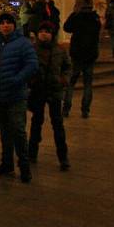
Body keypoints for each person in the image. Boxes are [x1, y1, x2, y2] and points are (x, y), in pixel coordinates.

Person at [0, 12, 38, 183]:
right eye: (2, 23)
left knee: (18, 131)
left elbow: (32, 64)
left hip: (15, 95)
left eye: (8, 22)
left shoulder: (23, 43)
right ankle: (7, 163)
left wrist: (17, 79)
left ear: (14, 25)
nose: (5, 25)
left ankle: (24, 167)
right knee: (4, 132)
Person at [28, 21, 71, 171]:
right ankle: (32, 152)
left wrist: (63, 79)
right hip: (38, 90)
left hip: (54, 90)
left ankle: (63, 156)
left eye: (47, 31)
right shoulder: (32, 49)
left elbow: (67, 66)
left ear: (52, 34)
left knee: (57, 124)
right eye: (41, 31)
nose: (44, 34)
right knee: (36, 122)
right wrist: (31, 80)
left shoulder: (59, 50)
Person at [62, 0, 101, 118]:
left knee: (71, 83)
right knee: (88, 84)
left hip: (77, 54)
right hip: (90, 54)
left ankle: (66, 109)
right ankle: (85, 110)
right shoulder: (95, 18)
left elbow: (66, 28)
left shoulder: (76, 16)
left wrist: (74, 14)